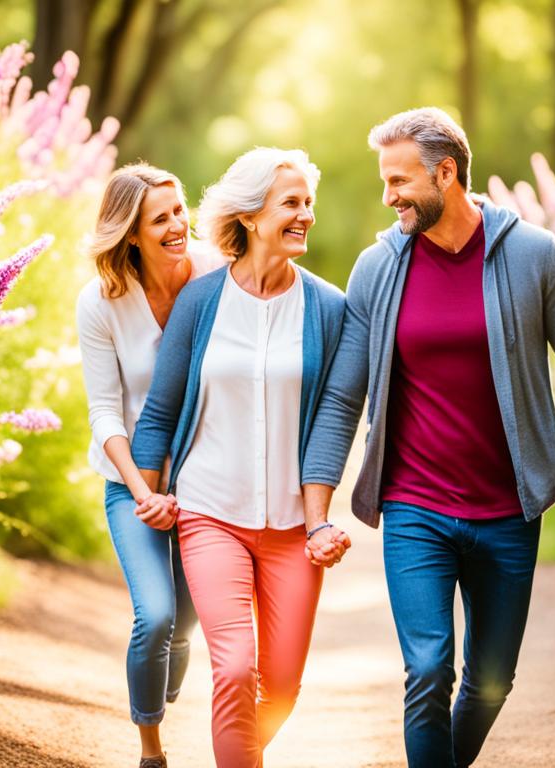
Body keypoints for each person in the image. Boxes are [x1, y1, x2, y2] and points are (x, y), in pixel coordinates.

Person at [301, 107, 555, 767]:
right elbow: (343, 395)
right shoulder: (378, 267)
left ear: (446, 173)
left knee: (491, 680)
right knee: (427, 669)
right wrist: (317, 505)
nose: (388, 196)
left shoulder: (532, 253)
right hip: (415, 506)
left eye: (399, 180)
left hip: (508, 507)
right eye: (384, 181)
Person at [130, 147, 350, 768]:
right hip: (210, 514)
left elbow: (334, 424)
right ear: (251, 216)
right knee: (233, 668)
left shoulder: (329, 309)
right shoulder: (201, 302)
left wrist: (320, 520)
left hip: (291, 531)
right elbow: (160, 412)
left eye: (309, 203)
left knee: (280, 689)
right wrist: (148, 498)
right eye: (291, 203)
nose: (306, 214)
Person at [75, 162, 223, 768]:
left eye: (179, 211)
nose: (176, 226)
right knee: (155, 615)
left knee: (186, 622)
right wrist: (142, 491)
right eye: (159, 219)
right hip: (131, 481)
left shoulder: (215, 271)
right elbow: (105, 411)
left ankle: (156, 692)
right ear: (129, 233)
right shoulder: (101, 302)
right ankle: (150, 748)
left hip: (205, 479)